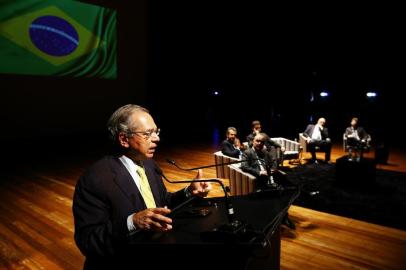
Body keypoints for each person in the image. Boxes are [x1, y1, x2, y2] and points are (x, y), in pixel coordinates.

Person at [72, 104, 211, 269]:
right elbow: (88, 241)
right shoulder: (94, 180)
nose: (157, 138)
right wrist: (132, 222)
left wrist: (189, 192)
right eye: (147, 134)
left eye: (156, 132)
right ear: (124, 139)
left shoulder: (149, 165)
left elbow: (162, 203)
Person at [241, 133, 295, 229]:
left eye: (261, 142)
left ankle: (283, 214)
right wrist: (259, 172)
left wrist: (273, 169)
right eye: (257, 141)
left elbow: (273, 161)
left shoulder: (265, 153)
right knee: (279, 192)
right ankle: (283, 217)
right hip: (259, 179)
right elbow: (244, 166)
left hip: (270, 176)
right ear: (253, 141)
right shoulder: (247, 152)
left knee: (287, 188)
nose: (259, 143)